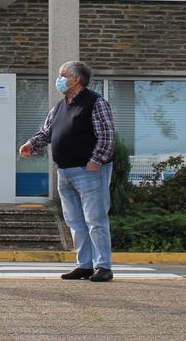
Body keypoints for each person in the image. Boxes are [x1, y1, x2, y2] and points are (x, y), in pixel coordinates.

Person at [19, 61, 116, 282]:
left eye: (63, 75)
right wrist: (31, 144)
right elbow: (46, 132)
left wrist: (96, 161)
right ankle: (84, 265)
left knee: (95, 219)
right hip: (65, 172)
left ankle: (103, 266)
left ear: (76, 79)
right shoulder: (60, 106)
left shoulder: (95, 103)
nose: (59, 79)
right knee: (74, 220)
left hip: (89, 171)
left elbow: (107, 135)